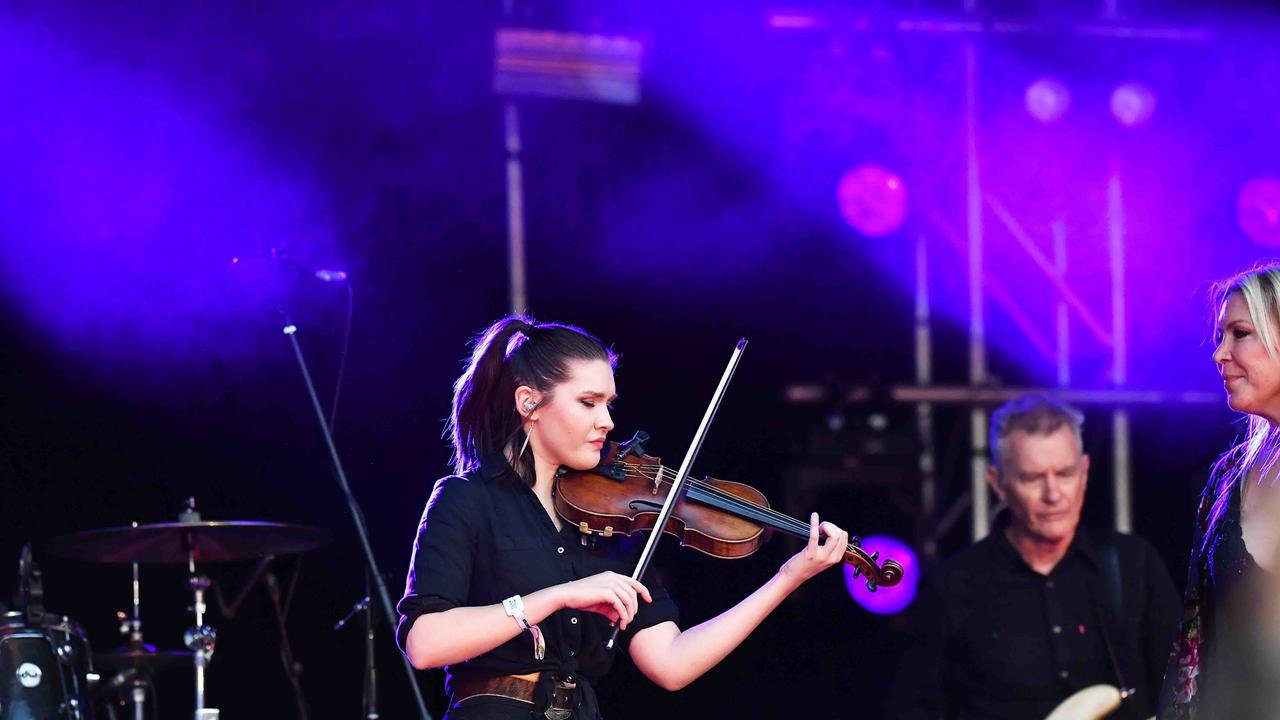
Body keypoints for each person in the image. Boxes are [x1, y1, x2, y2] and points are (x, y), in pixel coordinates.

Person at [396, 315, 850, 719]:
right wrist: (556, 596)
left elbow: (671, 664)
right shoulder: (466, 500)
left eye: (609, 404)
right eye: (588, 402)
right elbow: (424, 643)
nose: (608, 421)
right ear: (528, 403)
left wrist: (787, 578)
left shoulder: (611, 524)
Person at [891, 394, 1180, 720]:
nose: (1053, 495)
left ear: (1085, 472)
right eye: (1032, 478)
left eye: (1066, 473)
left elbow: (1184, 688)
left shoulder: (1133, 565)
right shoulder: (951, 588)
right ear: (997, 482)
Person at [1158, 263, 1280, 720]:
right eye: (1220, 337)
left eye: (1240, 333)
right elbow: (1192, 646)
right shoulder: (1228, 477)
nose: (1220, 354)